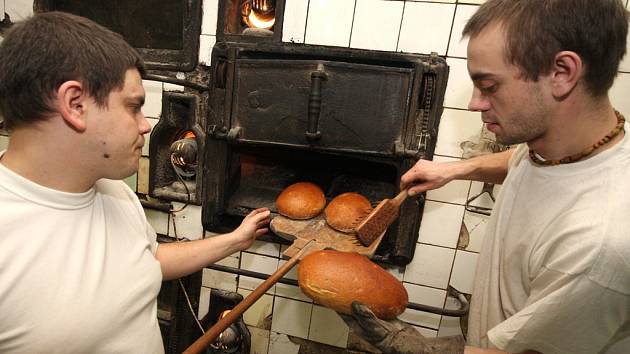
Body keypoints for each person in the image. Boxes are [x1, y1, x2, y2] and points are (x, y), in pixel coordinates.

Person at [342, 0, 630, 353]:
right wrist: (457, 169)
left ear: (562, 73)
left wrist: (415, 348)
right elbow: (525, 162)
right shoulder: (561, 147)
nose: (474, 103)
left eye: (489, 86)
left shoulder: (600, 245)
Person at [0, 12, 270, 353]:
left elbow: (148, 260)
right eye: (133, 107)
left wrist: (234, 241)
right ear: (75, 104)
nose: (145, 126)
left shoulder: (113, 192)